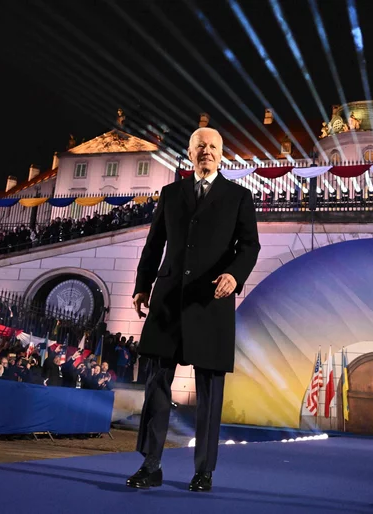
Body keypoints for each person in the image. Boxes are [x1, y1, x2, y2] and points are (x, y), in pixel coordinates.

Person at [128, 127, 260, 492]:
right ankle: (150, 465)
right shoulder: (171, 194)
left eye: (213, 147)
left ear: (222, 154)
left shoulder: (238, 197)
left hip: (211, 303)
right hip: (168, 303)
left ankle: (204, 470)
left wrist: (234, 275)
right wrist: (142, 285)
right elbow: (154, 244)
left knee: (209, 396)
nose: (207, 151)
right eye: (200, 146)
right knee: (156, 388)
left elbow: (250, 246)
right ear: (190, 152)